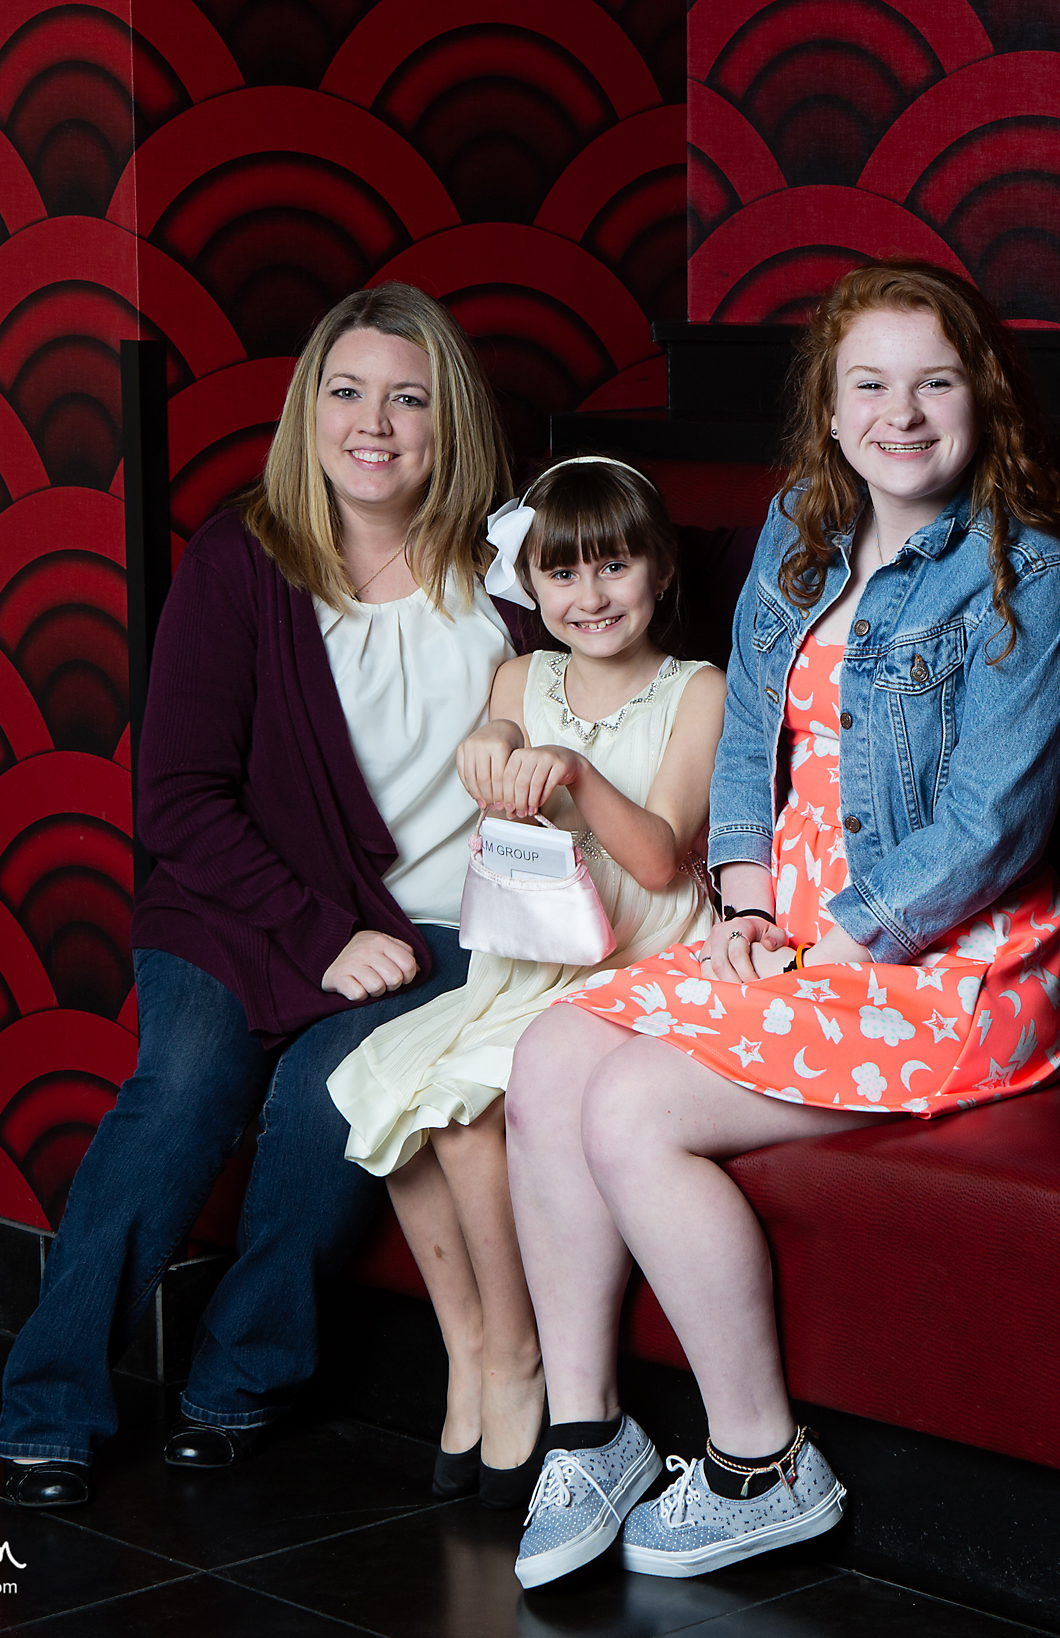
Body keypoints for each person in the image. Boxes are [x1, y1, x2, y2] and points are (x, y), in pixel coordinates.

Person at [501, 259, 1060, 1588]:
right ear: (830, 414)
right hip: (795, 929)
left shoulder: (1031, 575)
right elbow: (750, 740)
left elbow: (991, 825)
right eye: (869, 385)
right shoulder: (802, 525)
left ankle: (763, 1461)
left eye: (934, 381)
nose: (902, 412)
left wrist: (836, 933)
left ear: (981, 399)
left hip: (942, 957)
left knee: (634, 1106)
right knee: (549, 1056)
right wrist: (745, 895)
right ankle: (589, 1433)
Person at [0, 283, 534, 1507]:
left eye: (407, 398)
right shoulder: (243, 558)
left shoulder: (510, 565)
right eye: (346, 393)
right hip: (241, 907)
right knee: (179, 1094)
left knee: (321, 1098)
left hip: (435, 925)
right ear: (309, 412)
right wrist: (316, 929)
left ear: (448, 420)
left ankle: (239, 1379)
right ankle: (49, 1401)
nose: (374, 424)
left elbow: (650, 596)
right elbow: (177, 797)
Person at [326, 455, 725, 1508]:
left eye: (614, 568)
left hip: (633, 964)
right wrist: (496, 747)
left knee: (460, 1112)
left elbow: (656, 862)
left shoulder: (695, 690)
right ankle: (473, 1344)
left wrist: (577, 776)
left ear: (660, 569)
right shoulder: (520, 676)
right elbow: (496, 738)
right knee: (385, 1078)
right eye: (561, 575)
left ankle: (522, 1357)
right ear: (529, 585)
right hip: (529, 955)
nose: (588, 598)